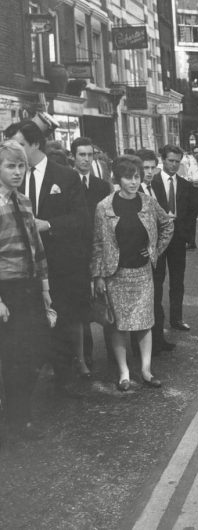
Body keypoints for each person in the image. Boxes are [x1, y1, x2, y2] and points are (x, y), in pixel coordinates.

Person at [6, 121, 90, 396]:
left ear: (34, 144)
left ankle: (66, 379)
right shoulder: (10, 179)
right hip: (24, 270)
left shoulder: (65, 177)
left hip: (59, 266)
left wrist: (48, 224)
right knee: (30, 329)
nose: (14, 153)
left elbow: (81, 219)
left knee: (62, 322)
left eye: (19, 144)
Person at [91, 155, 173, 391]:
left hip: (142, 272)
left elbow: (167, 224)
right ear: (118, 179)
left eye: (137, 176)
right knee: (118, 325)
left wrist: (155, 250)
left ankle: (146, 370)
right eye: (128, 177)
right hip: (115, 274)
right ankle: (124, 372)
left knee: (144, 323)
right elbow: (97, 243)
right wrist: (97, 276)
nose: (134, 181)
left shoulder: (147, 202)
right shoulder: (104, 206)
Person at [0, 140, 52, 439]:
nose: (18, 171)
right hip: (6, 289)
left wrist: (44, 288)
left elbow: (37, 247)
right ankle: (18, 422)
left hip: (31, 286)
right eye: (10, 166)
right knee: (14, 357)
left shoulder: (23, 201)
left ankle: (18, 415)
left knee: (37, 350)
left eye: (21, 166)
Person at [71, 136, 111, 377]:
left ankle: (110, 355)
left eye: (89, 155)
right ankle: (84, 356)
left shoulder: (100, 185)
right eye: (81, 155)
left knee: (103, 301)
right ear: (73, 157)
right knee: (80, 305)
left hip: (97, 251)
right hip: (75, 252)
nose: (86, 160)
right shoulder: (67, 182)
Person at [152, 144, 191, 340]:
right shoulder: (153, 183)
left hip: (178, 239)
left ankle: (177, 319)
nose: (174, 165)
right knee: (157, 280)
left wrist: (187, 238)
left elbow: (189, 214)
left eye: (177, 161)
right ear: (163, 160)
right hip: (158, 239)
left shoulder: (185, 184)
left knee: (177, 280)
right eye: (170, 161)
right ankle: (157, 322)